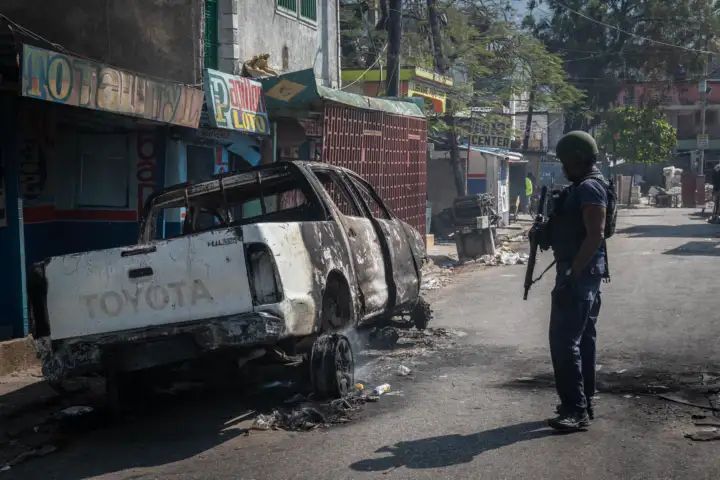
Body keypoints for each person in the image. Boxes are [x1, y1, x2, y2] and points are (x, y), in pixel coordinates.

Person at [546, 130, 608, 431]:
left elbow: (595, 234)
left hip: (580, 273)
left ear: (577, 160)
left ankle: (575, 410)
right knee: (582, 339)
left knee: (563, 341)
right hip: (584, 272)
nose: (562, 168)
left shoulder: (590, 188)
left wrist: (572, 274)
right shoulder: (585, 186)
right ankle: (583, 402)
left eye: (565, 162)